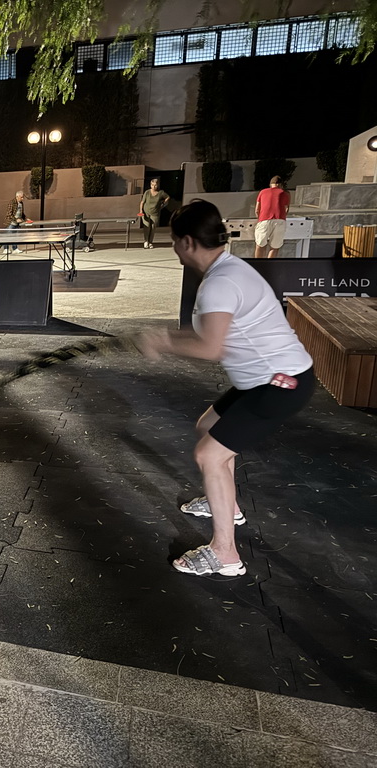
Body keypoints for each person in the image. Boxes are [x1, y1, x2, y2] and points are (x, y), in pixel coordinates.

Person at [136, 199, 314, 578]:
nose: (173, 247)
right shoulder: (226, 271)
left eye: (173, 240)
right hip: (261, 381)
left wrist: (163, 344)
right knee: (207, 427)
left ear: (186, 242)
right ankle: (226, 505)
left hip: (280, 384)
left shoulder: (219, 283)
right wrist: (163, 336)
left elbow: (211, 348)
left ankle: (225, 553)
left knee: (209, 456)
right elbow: (215, 336)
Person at [254, 175, 290, 259]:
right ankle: (269, 267)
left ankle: (258, 267)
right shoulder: (285, 193)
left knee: (260, 245)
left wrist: (260, 219)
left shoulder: (263, 192)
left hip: (264, 220)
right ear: (280, 185)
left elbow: (256, 210)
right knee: (275, 247)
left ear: (270, 184)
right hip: (280, 220)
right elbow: (286, 209)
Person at [139, 178, 171, 249]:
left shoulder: (161, 193)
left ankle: (150, 242)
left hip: (155, 213)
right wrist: (141, 211)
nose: (154, 187)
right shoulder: (147, 192)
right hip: (146, 212)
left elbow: (168, 197)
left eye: (155, 185)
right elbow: (142, 202)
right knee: (147, 227)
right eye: (152, 185)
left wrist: (163, 203)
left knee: (153, 228)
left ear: (157, 185)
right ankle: (146, 241)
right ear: (150, 185)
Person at [3, 190, 27, 254]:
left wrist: (26, 219)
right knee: (8, 236)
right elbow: (9, 214)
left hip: (17, 223)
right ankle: (6, 249)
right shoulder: (11, 203)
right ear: (17, 196)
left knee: (16, 236)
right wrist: (15, 219)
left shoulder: (21, 203)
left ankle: (15, 248)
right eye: (21, 197)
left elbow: (21, 213)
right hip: (11, 223)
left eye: (22, 197)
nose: (22, 198)